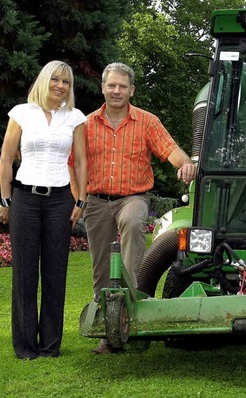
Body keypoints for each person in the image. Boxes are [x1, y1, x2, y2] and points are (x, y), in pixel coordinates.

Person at [83, 62, 197, 354]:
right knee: (101, 267)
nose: (117, 90)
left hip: (133, 197)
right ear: (103, 88)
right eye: (112, 85)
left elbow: (170, 150)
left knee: (134, 223)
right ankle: (108, 327)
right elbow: (73, 163)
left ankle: (135, 317)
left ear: (131, 90)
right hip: (96, 201)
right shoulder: (86, 125)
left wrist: (185, 165)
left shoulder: (147, 121)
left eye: (123, 86)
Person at [0, 60, 88, 359]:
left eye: (66, 82)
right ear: (44, 81)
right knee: (23, 273)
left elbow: (82, 162)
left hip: (60, 200)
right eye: (56, 80)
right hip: (24, 199)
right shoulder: (22, 113)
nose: (61, 86)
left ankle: (50, 346)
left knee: (55, 273)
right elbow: (6, 158)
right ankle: (25, 347)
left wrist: (81, 200)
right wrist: (6, 200)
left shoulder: (75, 117)